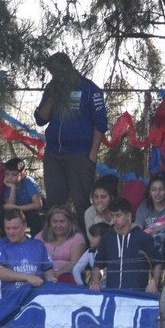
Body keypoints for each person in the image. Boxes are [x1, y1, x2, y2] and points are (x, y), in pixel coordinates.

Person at [34, 51, 108, 219]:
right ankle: (58, 242)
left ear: (67, 67)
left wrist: (92, 155)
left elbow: (100, 124)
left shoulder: (89, 88)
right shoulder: (51, 88)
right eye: (52, 72)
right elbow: (40, 119)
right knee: (55, 203)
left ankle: (87, 240)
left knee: (81, 202)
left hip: (80, 154)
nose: (55, 74)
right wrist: (53, 95)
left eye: (58, 71)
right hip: (54, 153)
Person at [0, 209, 58, 294]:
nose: (11, 232)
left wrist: (51, 279)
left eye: (15, 228)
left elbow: (47, 270)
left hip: (35, 296)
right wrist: (27, 277)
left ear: (25, 226)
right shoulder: (0, 245)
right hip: (10, 299)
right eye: (8, 228)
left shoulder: (38, 245)